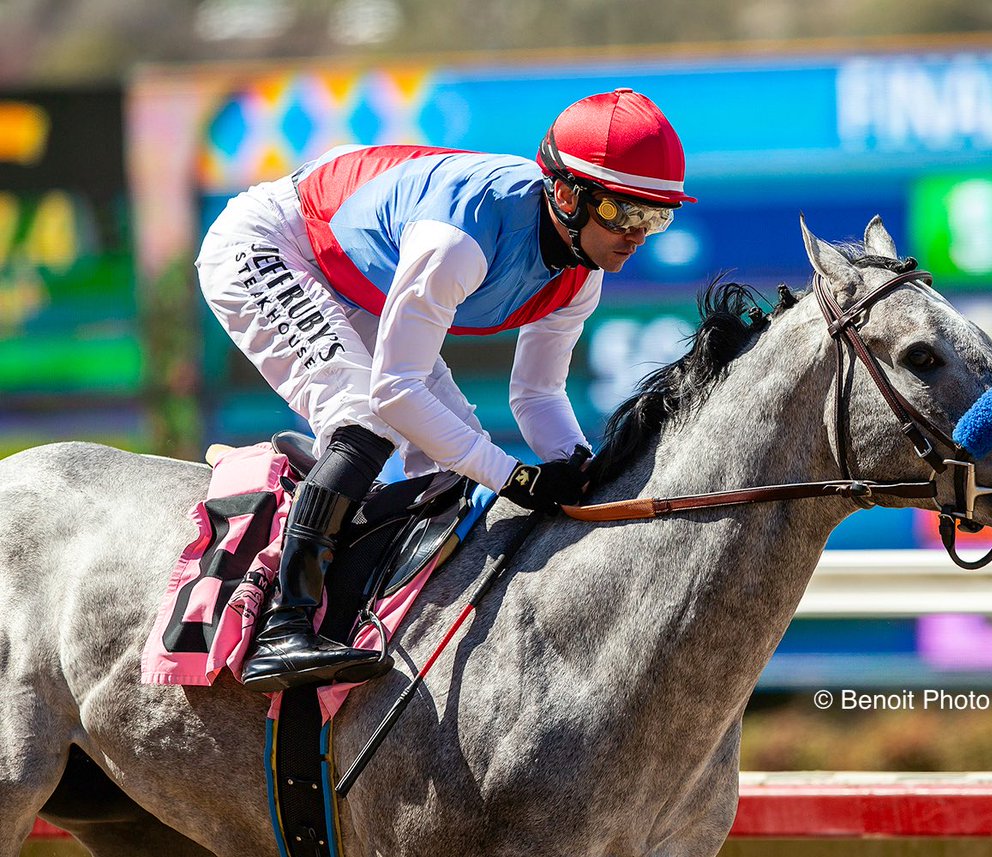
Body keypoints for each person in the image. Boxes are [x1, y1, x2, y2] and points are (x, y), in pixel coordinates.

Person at [195, 88, 695, 692]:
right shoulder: (458, 243)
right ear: (566, 194)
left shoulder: (579, 277)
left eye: (656, 216)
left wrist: (578, 465)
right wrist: (514, 477)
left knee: (442, 462)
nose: (637, 235)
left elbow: (536, 395)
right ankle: (284, 621)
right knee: (365, 419)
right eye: (624, 213)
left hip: (360, 271)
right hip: (275, 240)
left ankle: (377, 610)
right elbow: (395, 393)